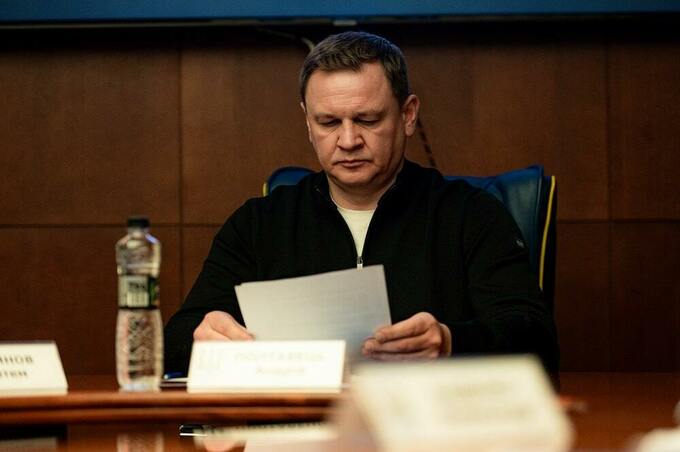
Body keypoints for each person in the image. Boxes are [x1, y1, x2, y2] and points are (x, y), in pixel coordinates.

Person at [164, 31, 559, 374]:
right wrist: (204, 337)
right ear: (307, 122)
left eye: (367, 120)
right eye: (329, 122)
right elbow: (176, 340)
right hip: (293, 423)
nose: (349, 141)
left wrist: (449, 341)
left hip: (424, 422)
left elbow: (537, 340)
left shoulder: (472, 214)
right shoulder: (259, 223)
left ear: (408, 115)